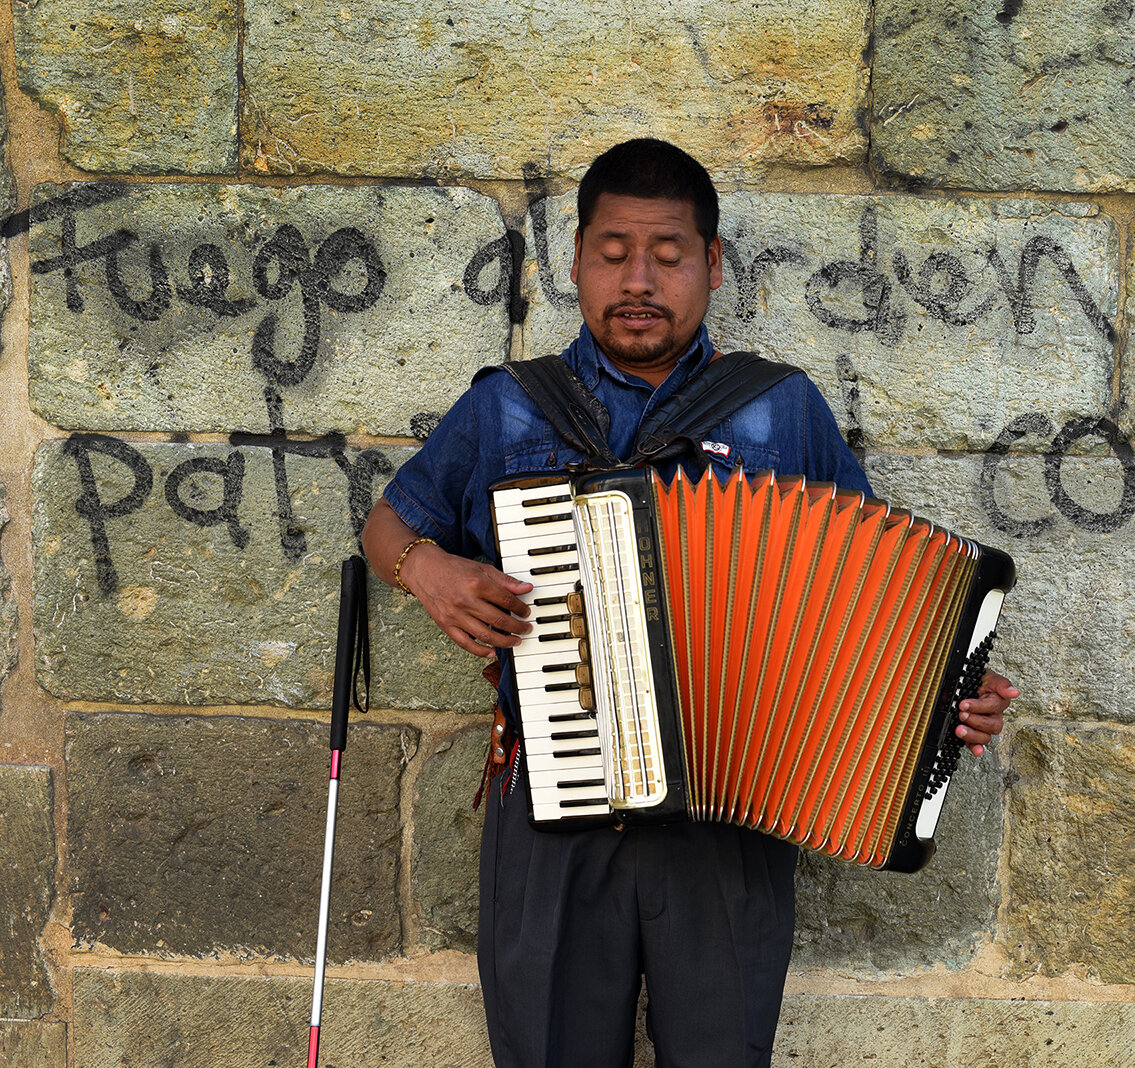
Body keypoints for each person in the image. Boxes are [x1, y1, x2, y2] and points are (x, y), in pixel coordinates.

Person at [361, 138, 1019, 1068]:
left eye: (668, 256)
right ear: (575, 263)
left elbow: (882, 599)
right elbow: (387, 525)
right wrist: (426, 570)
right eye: (613, 252)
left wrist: (949, 695)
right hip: (553, 813)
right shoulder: (510, 409)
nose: (639, 280)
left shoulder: (781, 411)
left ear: (711, 265)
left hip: (733, 819)